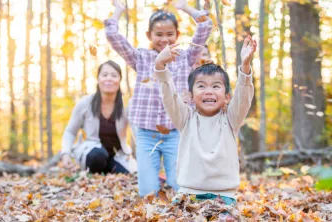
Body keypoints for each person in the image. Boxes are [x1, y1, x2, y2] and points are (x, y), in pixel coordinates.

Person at [104, 0, 213, 197]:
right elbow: (113, 36)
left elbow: (205, 26)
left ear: (177, 35)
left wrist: (186, 8)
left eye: (170, 34)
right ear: (149, 36)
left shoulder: (187, 58)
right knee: (148, 192)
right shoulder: (141, 57)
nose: (165, 39)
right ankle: (154, 185)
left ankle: (174, 185)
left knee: (180, 188)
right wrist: (118, 11)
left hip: (176, 133)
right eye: (159, 34)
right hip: (146, 133)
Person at [153, 36, 257, 219]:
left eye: (216, 86)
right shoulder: (185, 118)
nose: (209, 91)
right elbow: (169, 96)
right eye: (201, 86)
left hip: (224, 197)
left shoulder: (231, 119)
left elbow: (244, 94)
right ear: (191, 96)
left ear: (227, 97)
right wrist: (160, 66)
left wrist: (246, 66)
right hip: (187, 195)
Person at [60, 60, 137, 174]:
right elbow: (70, 131)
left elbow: (138, 134)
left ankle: (110, 170)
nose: (109, 79)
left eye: (114, 75)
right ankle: (94, 173)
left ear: (120, 80)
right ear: (98, 79)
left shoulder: (127, 105)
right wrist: (65, 153)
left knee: (132, 174)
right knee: (98, 155)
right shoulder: (85, 103)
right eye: (104, 75)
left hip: (118, 154)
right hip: (92, 151)